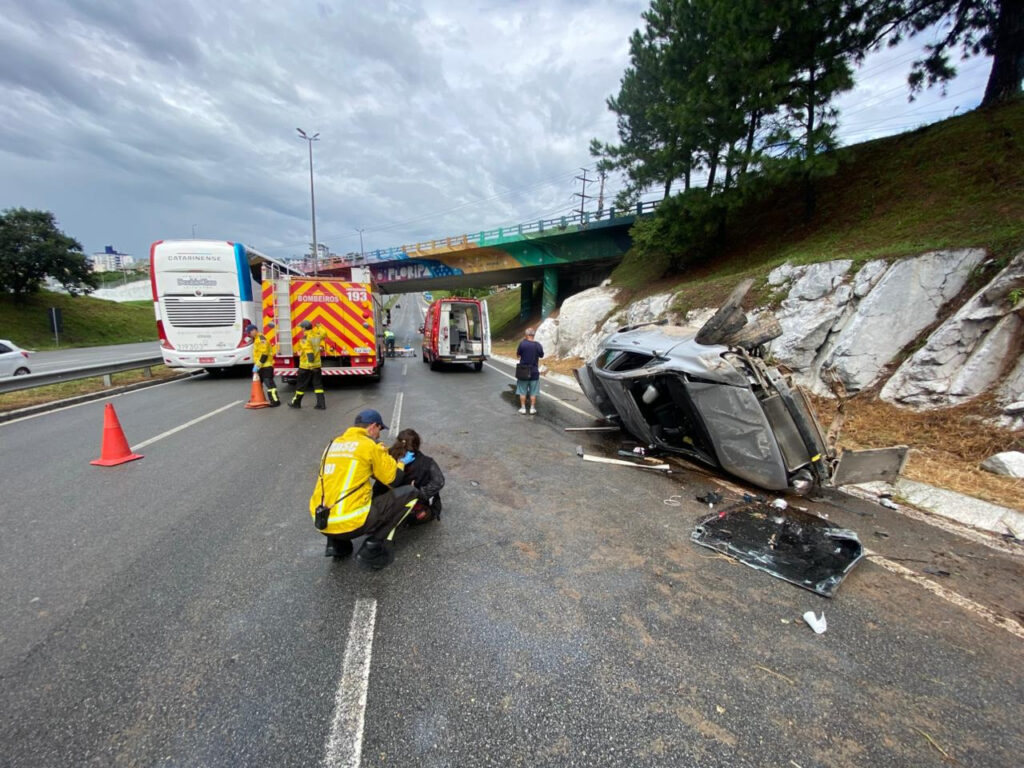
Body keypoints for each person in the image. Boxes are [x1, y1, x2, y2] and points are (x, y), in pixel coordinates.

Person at [310, 409, 420, 570]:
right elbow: (394, 480)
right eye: (380, 430)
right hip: (351, 523)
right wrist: (401, 463)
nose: (379, 435)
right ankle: (373, 547)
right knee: (410, 493)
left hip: (322, 521)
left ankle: (336, 545)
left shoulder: (332, 444)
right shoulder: (369, 445)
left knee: (337, 487)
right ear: (373, 426)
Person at [385, 428, 445, 523]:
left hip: (394, 502)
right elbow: (439, 481)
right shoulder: (427, 462)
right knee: (424, 512)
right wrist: (419, 493)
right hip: (416, 504)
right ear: (417, 444)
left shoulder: (388, 456)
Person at [289, 320, 326, 410]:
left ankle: (296, 403)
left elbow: (309, 353)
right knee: (318, 386)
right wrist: (319, 326)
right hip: (317, 366)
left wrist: (310, 365)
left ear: (304, 328)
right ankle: (321, 404)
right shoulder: (317, 335)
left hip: (306, 367)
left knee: (301, 386)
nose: (301, 329)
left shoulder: (305, 338)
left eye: (302, 327)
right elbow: (324, 333)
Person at [248, 322, 280, 407]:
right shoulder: (257, 339)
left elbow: (264, 354)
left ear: (254, 330)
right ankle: (257, 398)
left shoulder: (261, 339)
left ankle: (275, 401)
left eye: (250, 332)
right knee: (258, 383)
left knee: (269, 384)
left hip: (266, 366)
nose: (249, 334)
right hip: (261, 366)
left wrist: (258, 365)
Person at [515, 327, 544, 415]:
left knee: (522, 391)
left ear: (526, 335)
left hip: (523, 371)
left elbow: (518, 354)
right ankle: (532, 408)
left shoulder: (522, 344)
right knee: (533, 392)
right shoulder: (538, 345)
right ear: (533, 335)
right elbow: (541, 355)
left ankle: (523, 408)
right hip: (534, 372)